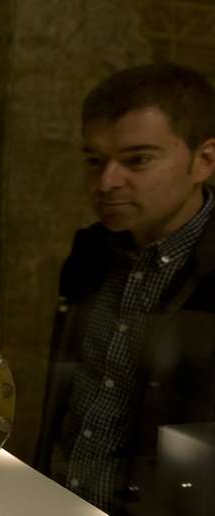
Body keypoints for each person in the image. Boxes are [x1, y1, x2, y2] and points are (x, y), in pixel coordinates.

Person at [34, 63, 215, 515]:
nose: (106, 181)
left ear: (204, 161)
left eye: (138, 160)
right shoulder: (93, 254)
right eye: (94, 160)